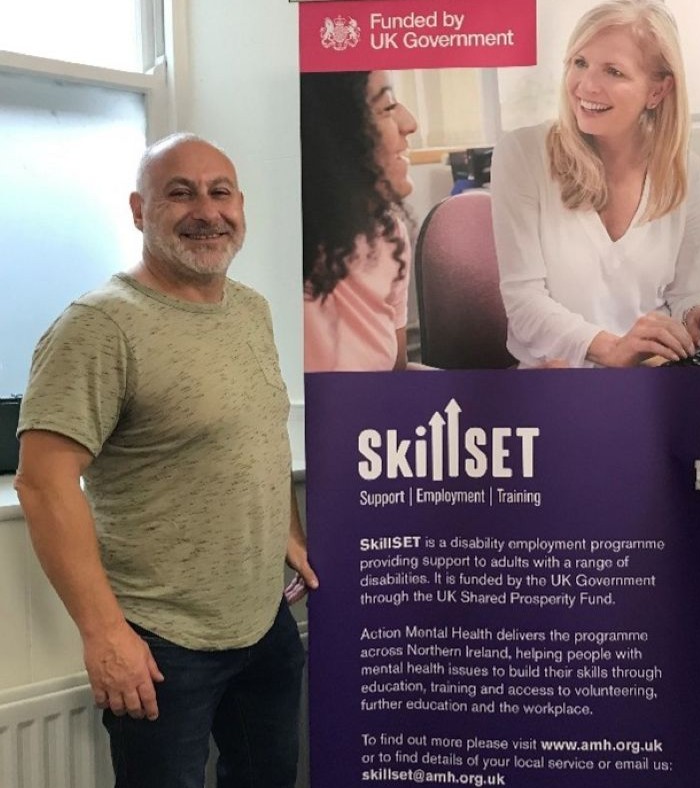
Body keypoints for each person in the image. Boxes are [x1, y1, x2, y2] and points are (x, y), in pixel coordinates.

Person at [14, 133, 318, 788]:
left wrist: (287, 531)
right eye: (180, 193)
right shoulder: (98, 326)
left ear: (240, 205)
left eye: (220, 192)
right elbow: (43, 484)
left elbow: (258, 431)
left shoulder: (251, 309)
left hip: (263, 625)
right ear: (139, 210)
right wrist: (105, 635)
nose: (206, 211)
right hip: (161, 644)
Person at [491, 0, 700, 368]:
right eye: (580, 63)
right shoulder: (522, 154)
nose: (586, 86)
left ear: (657, 91)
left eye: (613, 71)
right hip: (557, 376)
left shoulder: (686, 171)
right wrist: (612, 348)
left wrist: (696, 315)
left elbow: (688, 291)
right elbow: (523, 301)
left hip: (651, 376)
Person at [301, 70, 418, 371]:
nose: (410, 123)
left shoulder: (387, 232)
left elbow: (396, 371)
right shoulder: (285, 248)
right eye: (387, 106)